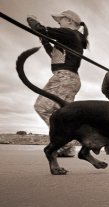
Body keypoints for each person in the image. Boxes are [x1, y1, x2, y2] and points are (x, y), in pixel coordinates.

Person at [27, 10, 89, 157]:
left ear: (69, 21)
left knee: (42, 106)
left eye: (59, 20)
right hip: (70, 79)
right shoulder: (71, 38)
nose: (58, 23)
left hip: (64, 78)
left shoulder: (68, 33)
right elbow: (56, 56)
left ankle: (65, 142)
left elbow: (41, 29)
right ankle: (67, 149)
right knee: (64, 115)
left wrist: (31, 20)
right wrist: (43, 39)